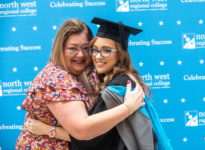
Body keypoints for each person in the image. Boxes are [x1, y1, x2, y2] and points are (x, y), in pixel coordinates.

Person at [26, 17, 173, 150]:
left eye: (86, 48)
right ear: (60, 48)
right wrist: (127, 108)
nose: (94, 56)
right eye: (94, 50)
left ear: (120, 54)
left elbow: (100, 137)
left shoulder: (113, 83)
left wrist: (49, 129)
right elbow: (87, 132)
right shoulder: (56, 79)